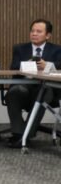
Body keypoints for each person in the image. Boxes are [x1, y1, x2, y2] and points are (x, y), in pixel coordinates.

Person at [5, 19, 61, 148]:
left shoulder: (57, 50)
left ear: (48, 35)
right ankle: (18, 133)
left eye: (39, 31)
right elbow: (14, 67)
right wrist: (27, 64)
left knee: (44, 93)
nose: (34, 34)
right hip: (23, 85)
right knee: (13, 93)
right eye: (32, 31)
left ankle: (26, 135)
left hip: (47, 87)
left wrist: (48, 65)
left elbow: (60, 65)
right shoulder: (20, 48)